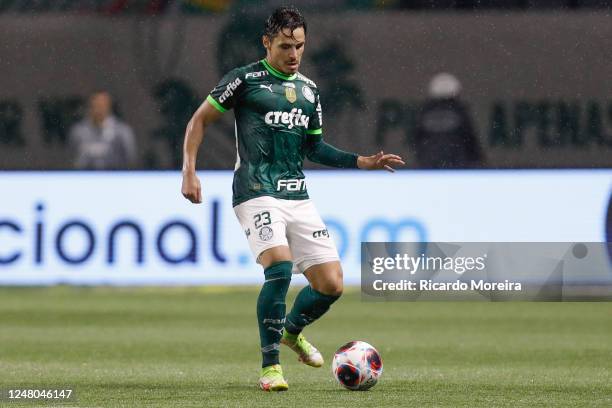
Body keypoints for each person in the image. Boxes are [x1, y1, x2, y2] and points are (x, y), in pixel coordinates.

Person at [181, 6, 404, 392]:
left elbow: (314, 148)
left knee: (332, 283)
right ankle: (271, 367)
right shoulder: (244, 80)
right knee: (280, 269)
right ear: (266, 42)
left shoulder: (308, 90)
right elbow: (198, 120)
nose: (294, 54)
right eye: (285, 46)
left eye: (300, 46)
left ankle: (291, 331)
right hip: (254, 190)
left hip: (296, 195)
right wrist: (189, 169)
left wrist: (361, 162)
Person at [414, 73, 483, 169]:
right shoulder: (460, 110)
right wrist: (478, 160)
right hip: (457, 165)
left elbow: (417, 139)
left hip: (429, 165)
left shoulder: (424, 111)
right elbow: (470, 138)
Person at [69, 91, 137, 170]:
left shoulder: (122, 131)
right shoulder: (78, 131)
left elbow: (131, 159)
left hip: (115, 177)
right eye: (95, 105)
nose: (99, 109)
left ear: (109, 106)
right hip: (86, 177)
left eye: (102, 105)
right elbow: (71, 157)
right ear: (90, 107)